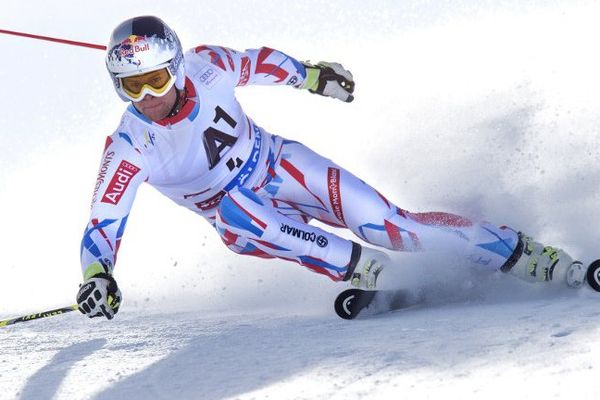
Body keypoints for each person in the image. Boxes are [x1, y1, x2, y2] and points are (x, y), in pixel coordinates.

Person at [76, 16, 586, 320]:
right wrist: (98, 274)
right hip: (247, 219)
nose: (148, 98)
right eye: (131, 87)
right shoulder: (130, 145)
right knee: (236, 211)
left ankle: (524, 254)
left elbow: (259, 62)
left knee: (392, 226)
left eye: (155, 81)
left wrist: (313, 76)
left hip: (279, 164)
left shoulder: (209, 65)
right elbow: (105, 219)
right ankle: (366, 271)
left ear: (178, 67)